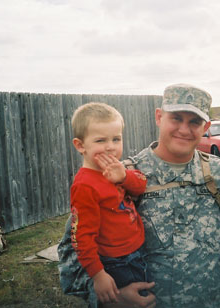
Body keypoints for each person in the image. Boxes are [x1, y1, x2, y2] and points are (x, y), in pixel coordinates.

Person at [59, 84, 220, 308]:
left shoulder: (219, 173)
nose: (184, 129)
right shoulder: (118, 177)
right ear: (159, 117)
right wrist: (113, 298)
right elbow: (71, 256)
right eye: (176, 118)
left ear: (206, 126)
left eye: (194, 122)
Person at [58, 102, 152, 307]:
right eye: (100, 140)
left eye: (116, 139)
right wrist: (98, 275)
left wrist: (124, 176)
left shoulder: (117, 169)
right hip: (115, 262)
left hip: (138, 252)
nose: (110, 146)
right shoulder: (85, 185)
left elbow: (141, 185)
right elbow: (81, 237)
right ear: (80, 145)